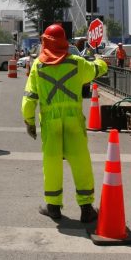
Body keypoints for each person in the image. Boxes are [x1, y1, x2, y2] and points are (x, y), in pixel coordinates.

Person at [22, 24, 107, 222]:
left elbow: (29, 99)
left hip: (50, 123)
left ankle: (53, 207)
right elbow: (97, 70)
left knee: (51, 163)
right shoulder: (76, 63)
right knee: (80, 162)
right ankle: (86, 208)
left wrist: (29, 121)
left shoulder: (38, 65)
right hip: (73, 121)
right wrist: (100, 59)